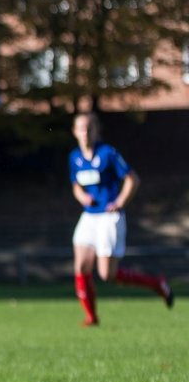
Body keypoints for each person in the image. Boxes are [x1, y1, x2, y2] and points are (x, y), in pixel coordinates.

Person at [69, 112, 173, 326]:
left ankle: (157, 284)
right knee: (81, 267)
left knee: (107, 275)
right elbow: (76, 185)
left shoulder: (108, 154)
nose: (85, 133)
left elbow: (132, 179)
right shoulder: (75, 158)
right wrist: (81, 196)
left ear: (96, 130)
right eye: (81, 128)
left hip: (109, 218)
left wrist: (120, 202)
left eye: (89, 128)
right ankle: (91, 316)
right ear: (74, 132)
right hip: (89, 217)